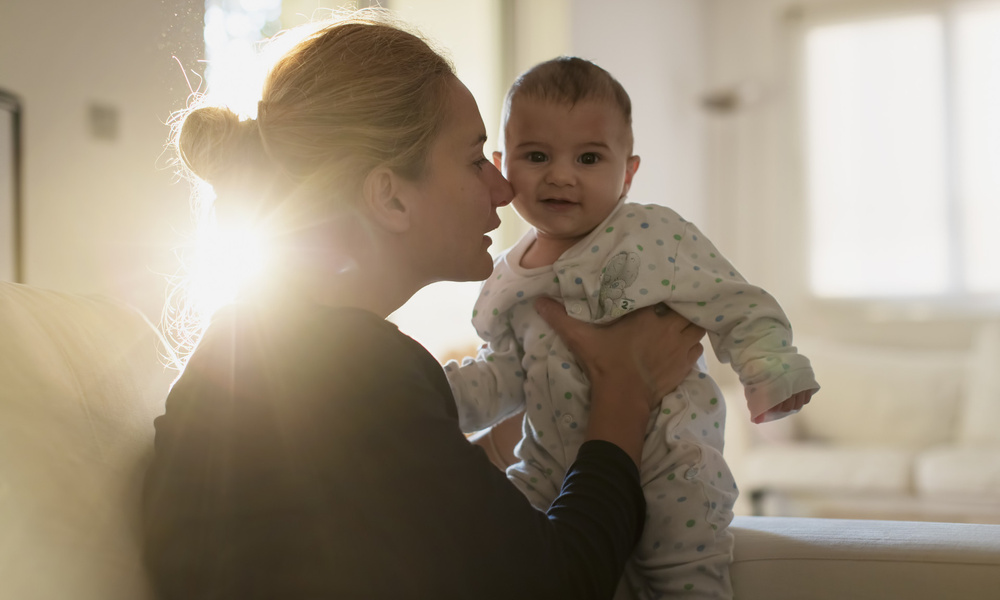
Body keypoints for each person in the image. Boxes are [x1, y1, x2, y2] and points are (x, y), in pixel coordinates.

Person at [141, 11, 708, 600]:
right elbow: (559, 581)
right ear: (389, 197)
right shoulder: (356, 368)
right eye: (472, 159)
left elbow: (415, 512)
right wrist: (624, 394)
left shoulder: (266, 348)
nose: (503, 187)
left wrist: (547, 411)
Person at [443, 57, 820, 599]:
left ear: (628, 172)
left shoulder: (651, 234)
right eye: (536, 155)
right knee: (503, 553)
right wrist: (439, 398)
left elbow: (737, 303)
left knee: (683, 574)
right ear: (503, 166)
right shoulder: (506, 277)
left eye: (589, 157)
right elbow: (504, 374)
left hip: (668, 459)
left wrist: (772, 370)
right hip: (550, 465)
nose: (561, 174)